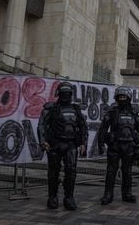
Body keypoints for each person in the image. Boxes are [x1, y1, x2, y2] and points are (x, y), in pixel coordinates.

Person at [37, 81, 88, 210]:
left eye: (68, 93)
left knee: (71, 171)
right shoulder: (50, 108)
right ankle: (52, 197)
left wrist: (83, 142)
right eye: (63, 93)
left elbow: (83, 126)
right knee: (53, 172)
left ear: (71, 94)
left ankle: (69, 198)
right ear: (59, 94)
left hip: (71, 144)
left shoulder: (76, 109)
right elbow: (41, 124)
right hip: (54, 144)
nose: (65, 96)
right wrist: (43, 141)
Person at [97, 86, 139, 205]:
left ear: (128, 98)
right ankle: (108, 194)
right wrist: (101, 144)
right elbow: (103, 129)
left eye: (124, 96)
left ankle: (127, 194)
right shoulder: (112, 112)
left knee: (127, 171)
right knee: (111, 171)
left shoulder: (134, 113)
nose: (122, 98)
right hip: (115, 145)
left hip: (129, 146)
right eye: (120, 97)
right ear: (117, 98)